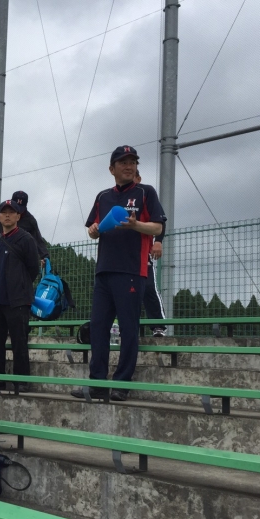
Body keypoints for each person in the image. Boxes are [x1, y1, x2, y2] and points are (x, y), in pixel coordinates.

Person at [72, 146, 165, 402]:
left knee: (128, 328)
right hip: (104, 270)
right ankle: (97, 383)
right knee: (98, 328)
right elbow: (93, 229)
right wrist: (93, 230)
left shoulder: (145, 192)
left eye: (132, 162)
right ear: (112, 169)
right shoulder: (103, 196)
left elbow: (157, 227)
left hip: (132, 270)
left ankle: (122, 383)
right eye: (123, 162)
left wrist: (136, 225)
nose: (128, 166)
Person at [0, 199, 39, 393]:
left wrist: (20, 285)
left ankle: (21, 381)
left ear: (18, 216)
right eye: (4, 212)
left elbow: (33, 268)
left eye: (11, 212)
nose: (7, 215)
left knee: (19, 342)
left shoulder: (26, 239)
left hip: (18, 300)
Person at [135, 170, 167, 337]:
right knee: (122, 293)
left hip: (143, 253)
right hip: (122, 256)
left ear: (138, 178)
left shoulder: (146, 194)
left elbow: (160, 220)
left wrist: (158, 241)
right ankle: (125, 328)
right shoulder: (116, 197)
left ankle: (158, 326)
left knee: (148, 289)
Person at [0, 190, 49, 262]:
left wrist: (45, 256)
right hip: (1, 252)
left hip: (19, 254)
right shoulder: (2, 216)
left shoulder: (30, 220)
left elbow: (38, 239)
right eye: (14, 209)